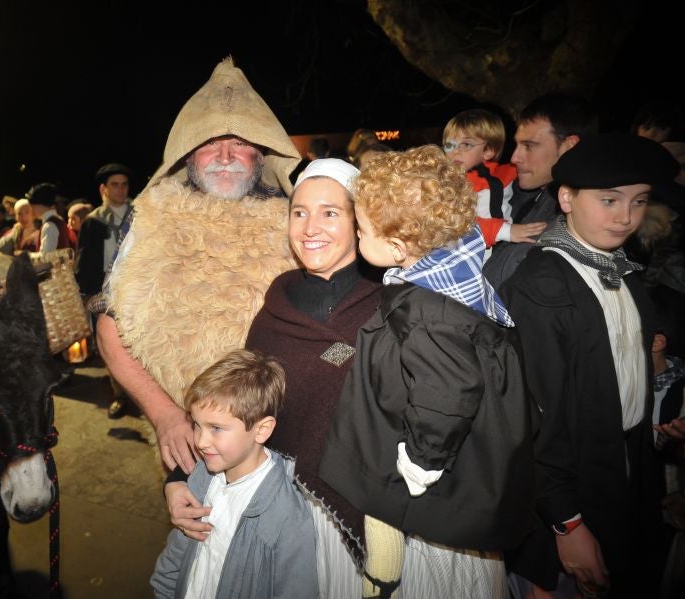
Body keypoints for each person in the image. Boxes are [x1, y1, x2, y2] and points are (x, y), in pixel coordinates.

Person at [168, 158, 402, 598]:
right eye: (299, 212)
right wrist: (180, 481)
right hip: (276, 512)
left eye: (330, 212)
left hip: (372, 519)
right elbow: (239, 404)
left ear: (359, 221)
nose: (310, 227)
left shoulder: (394, 302)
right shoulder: (277, 306)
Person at [318, 145, 536, 599]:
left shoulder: (427, 311)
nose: (357, 238)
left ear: (397, 246)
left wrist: (422, 460)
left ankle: (382, 580)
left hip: (438, 489)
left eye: (361, 231)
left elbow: (447, 393)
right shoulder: (454, 270)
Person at [94, 57, 301, 466]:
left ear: (260, 154)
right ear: (189, 155)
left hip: (283, 442)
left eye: (240, 143)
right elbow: (110, 329)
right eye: (210, 144)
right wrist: (165, 415)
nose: (225, 156)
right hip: (192, 443)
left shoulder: (298, 221)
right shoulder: (153, 216)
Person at [499, 133, 680, 598]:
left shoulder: (622, 269)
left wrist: (661, 410)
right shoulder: (543, 286)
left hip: (627, 480)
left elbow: (629, 367)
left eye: (638, 201)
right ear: (566, 198)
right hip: (570, 493)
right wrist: (567, 524)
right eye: (609, 200)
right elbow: (531, 420)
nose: (625, 217)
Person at [150, 349, 318, 599]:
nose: (201, 441)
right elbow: (177, 553)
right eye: (196, 424)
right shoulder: (202, 476)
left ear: (262, 430)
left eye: (216, 428)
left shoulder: (285, 516)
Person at [482, 93, 599, 289]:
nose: (514, 157)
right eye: (517, 144)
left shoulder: (575, 229)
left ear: (568, 147)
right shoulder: (519, 193)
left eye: (529, 146)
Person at [76, 163, 134, 417]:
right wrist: (87, 294)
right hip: (107, 295)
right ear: (103, 189)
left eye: (124, 184)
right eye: (114, 184)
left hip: (139, 290)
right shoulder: (93, 222)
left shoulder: (142, 215)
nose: (120, 190)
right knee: (113, 346)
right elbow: (85, 261)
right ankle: (120, 395)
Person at [442, 108, 547, 250]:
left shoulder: (506, 172)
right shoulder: (447, 185)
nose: (455, 151)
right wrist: (504, 231)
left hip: (498, 252)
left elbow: (539, 170)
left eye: (466, 144)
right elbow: (455, 225)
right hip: (465, 254)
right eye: (449, 145)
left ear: (488, 151)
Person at [26, 182, 72, 257]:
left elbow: (45, 258)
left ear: (40, 204)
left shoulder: (49, 225)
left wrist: (26, 256)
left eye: (32, 205)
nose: (31, 209)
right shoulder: (58, 220)